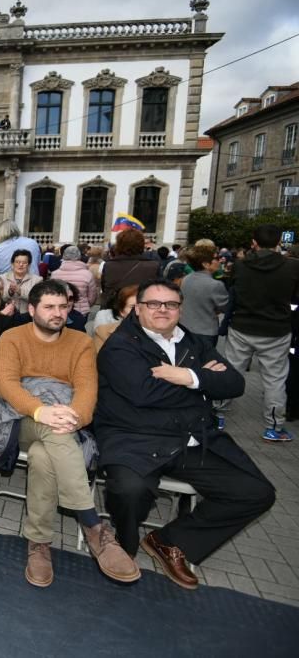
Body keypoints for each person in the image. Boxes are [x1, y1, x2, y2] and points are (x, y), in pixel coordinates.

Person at [95, 279, 276, 589]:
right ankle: (124, 547)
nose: (162, 310)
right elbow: (143, 393)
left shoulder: (193, 342)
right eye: (154, 304)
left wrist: (186, 376)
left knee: (256, 492)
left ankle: (169, 541)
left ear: (180, 308)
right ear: (137, 309)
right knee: (129, 490)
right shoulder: (120, 345)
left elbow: (235, 384)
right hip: (135, 438)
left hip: (192, 440)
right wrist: (203, 384)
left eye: (171, 304)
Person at [0, 279, 139, 588]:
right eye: (49, 307)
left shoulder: (80, 342)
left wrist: (76, 418)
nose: (57, 313)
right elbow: (6, 384)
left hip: (64, 420)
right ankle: (93, 525)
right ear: (31, 308)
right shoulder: (11, 337)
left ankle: (39, 544)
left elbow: (87, 387)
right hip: (22, 418)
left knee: (42, 456)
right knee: (50, 433)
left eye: (63, 306)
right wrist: (40, 411)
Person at [221, 224, 299, 441]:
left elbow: (233, 290)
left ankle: (217, 413)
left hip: (242, 325)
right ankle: (273, 427)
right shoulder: (293, 267)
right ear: (278, 242)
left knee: (231, 371)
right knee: (275, 379)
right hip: (276, 329)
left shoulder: (240, 265)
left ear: (253, 242)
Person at [177, 245, 229, 348]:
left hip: (184, 327)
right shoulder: (215, 284)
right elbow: (225, 307)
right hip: (206, 331)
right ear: (206, 264)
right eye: (216, 259)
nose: (219, 261)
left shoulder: (186, 279)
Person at [100, 229, 160, 311]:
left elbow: (104, 288)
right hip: (141, 311)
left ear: (119, 245)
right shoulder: (153, 266)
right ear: (141, 245)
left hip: (114, 310)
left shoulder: (109, 265)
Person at [51, 246, 98, 316]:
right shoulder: (87, 274)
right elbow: (92, 295)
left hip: (59, 310)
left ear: (63, 256)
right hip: (81, 311)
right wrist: (86, 304)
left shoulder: (54, 274)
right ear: (79, 257)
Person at [93, 284, 137, 351]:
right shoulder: (103, 332)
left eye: (143, 305)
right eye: (133, 307)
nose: (139, 311)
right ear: (121, 311)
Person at [0, 249, 38, 315]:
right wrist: (10, 292)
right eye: (17, 262)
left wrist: (20, 291)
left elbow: (37, 298)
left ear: (29, 265)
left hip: (28, 315)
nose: (21, 265)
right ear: (12, 264)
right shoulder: (2, 278)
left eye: (24, 262)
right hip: (6, 315)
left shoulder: (37, 280)